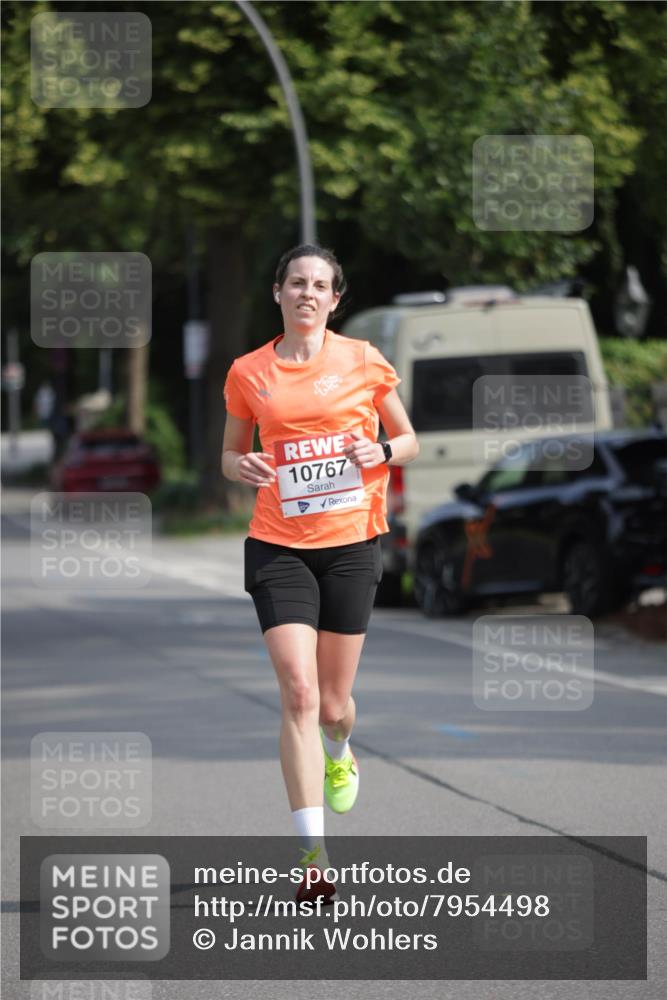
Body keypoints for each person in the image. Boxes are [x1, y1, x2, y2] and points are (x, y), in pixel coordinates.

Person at [221, 244, 419, 904]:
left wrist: (381, 449)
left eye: (320, 285)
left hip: (349, 546)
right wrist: (239, 466)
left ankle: (341, 749)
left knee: (333, 707)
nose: (307, 292)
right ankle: (313, 858)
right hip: (277, 545)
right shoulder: (249, 372)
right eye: (296, 282)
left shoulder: (363, 360)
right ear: (276, 292)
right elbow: (229, 452)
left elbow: (407, 440)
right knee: (299, 693)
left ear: (335, 299)